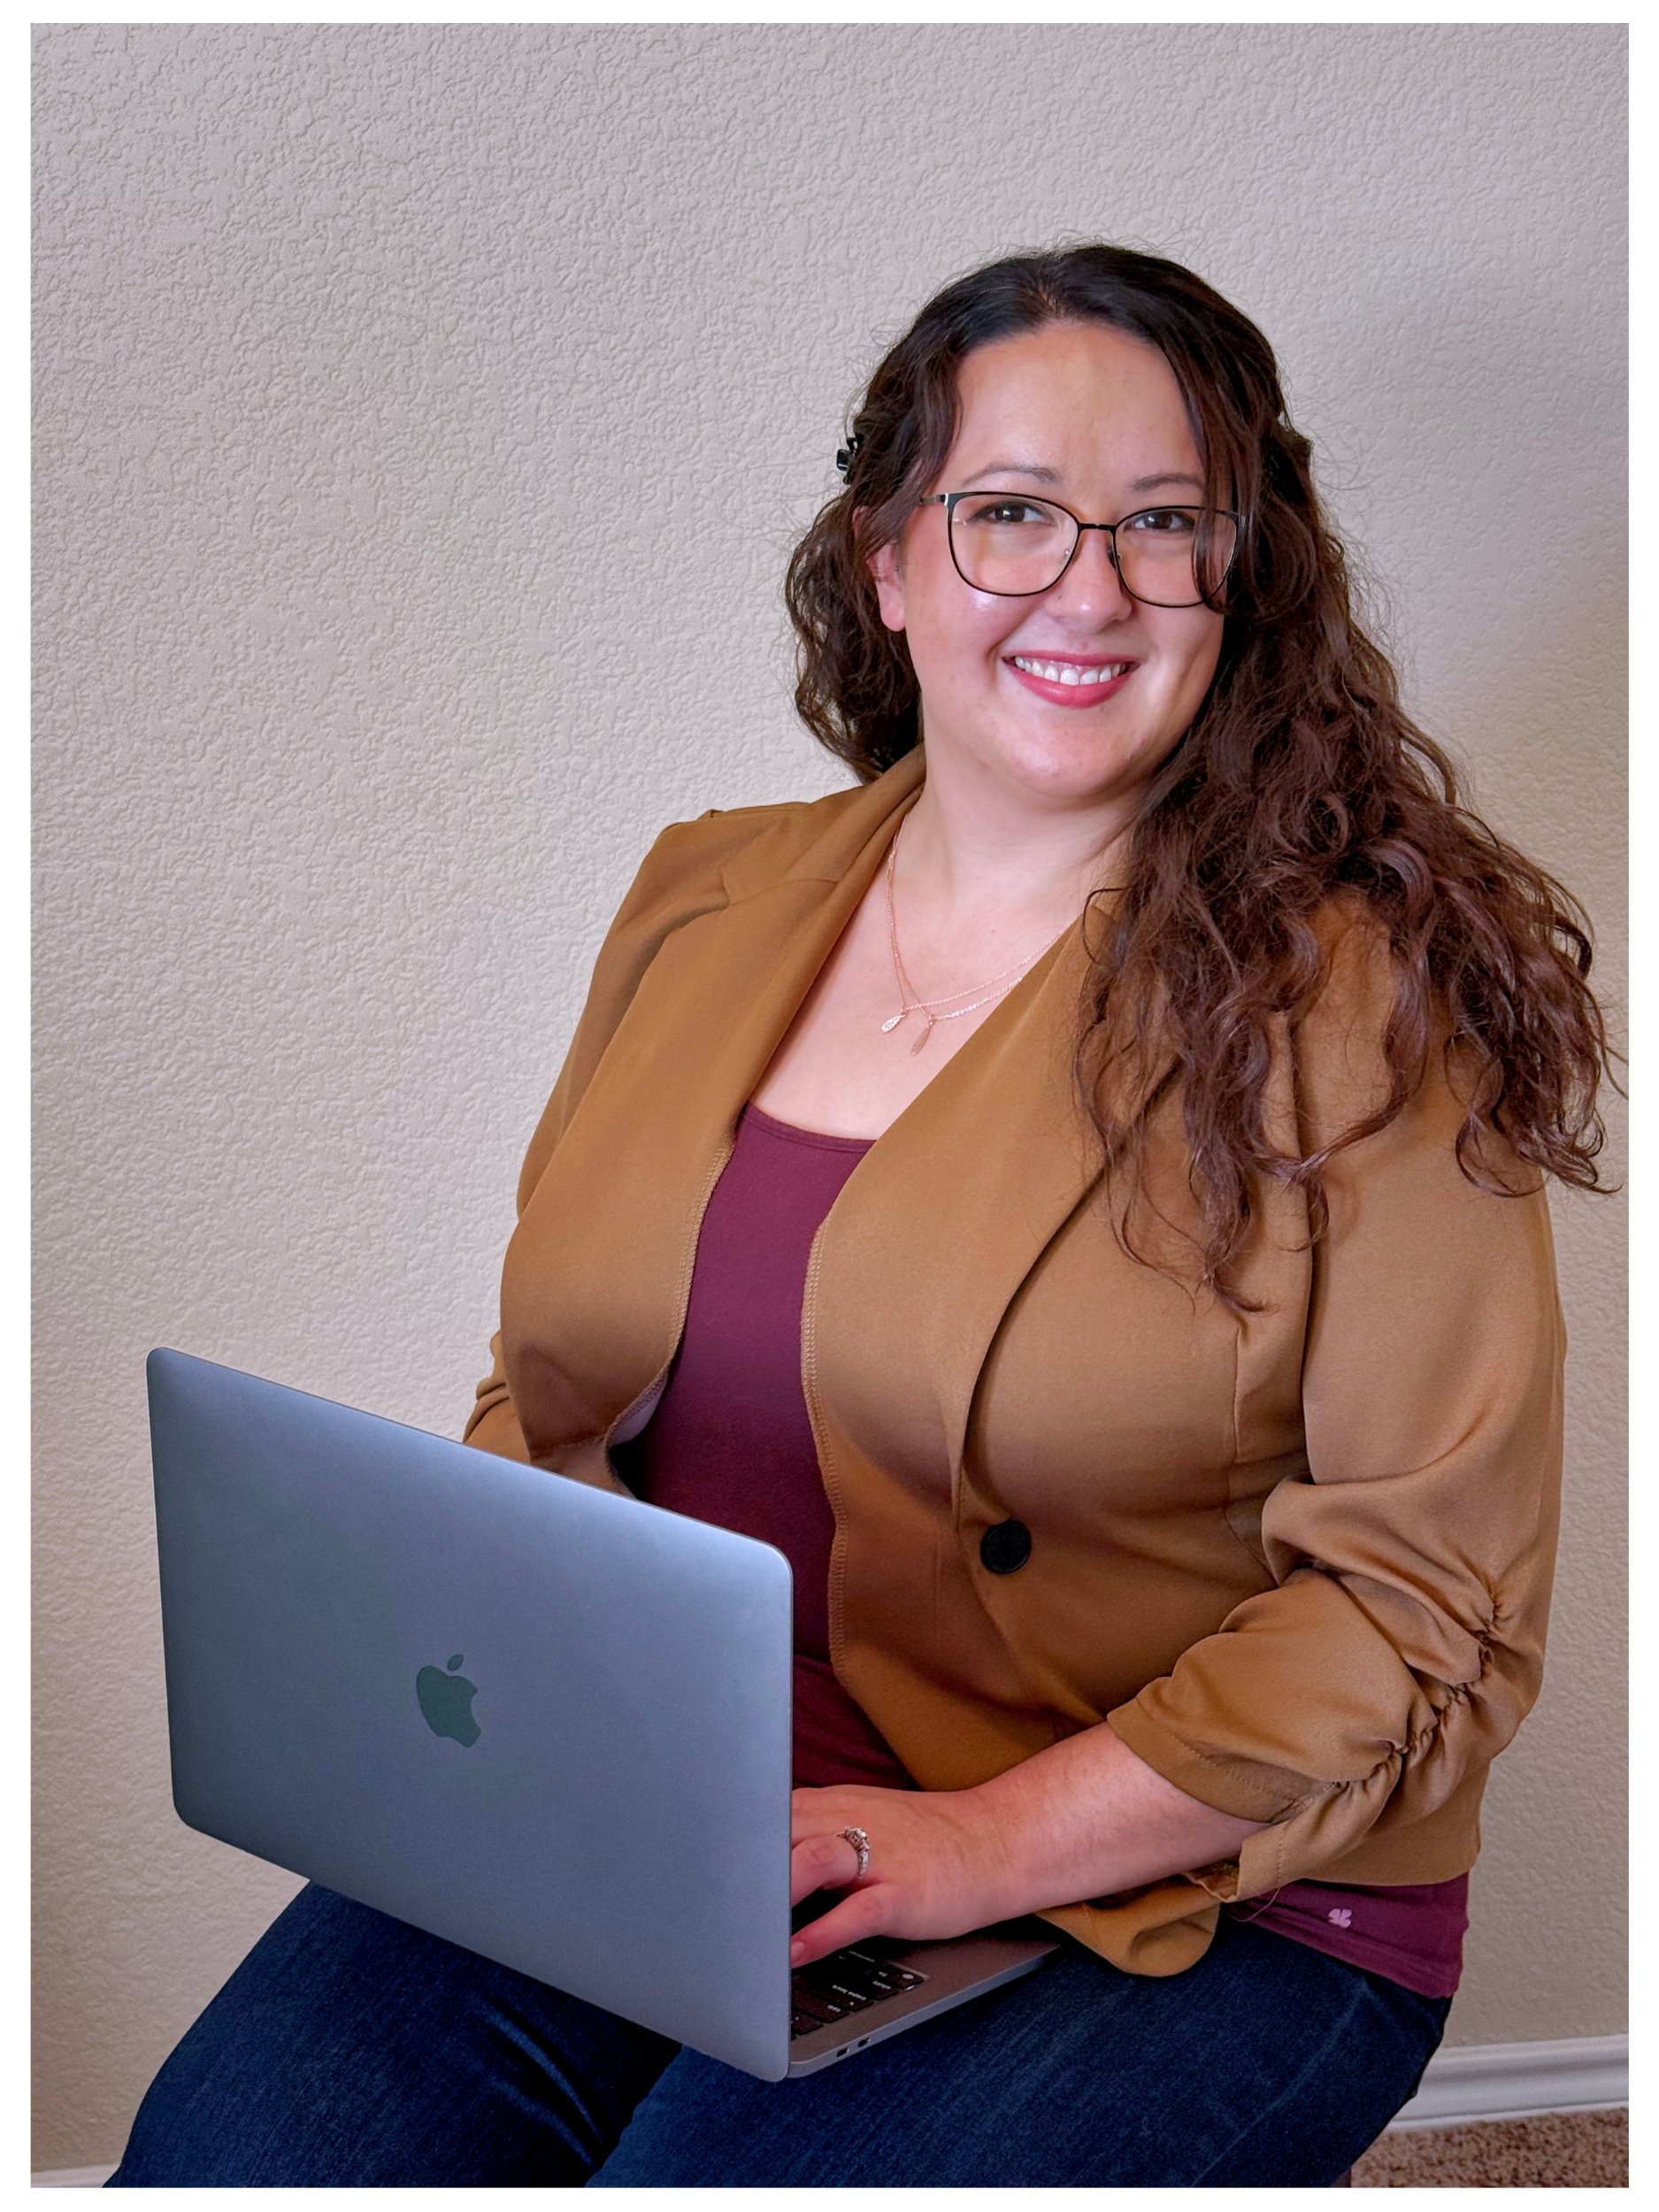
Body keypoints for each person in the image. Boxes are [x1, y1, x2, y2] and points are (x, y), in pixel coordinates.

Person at [109, 243, 1610, 2187]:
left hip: (1194, 1878)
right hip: (690, 1806)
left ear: (1242, 581)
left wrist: (978, 1841)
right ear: (887, 559)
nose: (1090, 584)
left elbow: (1425, 1611)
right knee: (229, 2159)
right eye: (1009, 514)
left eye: (1165, 524)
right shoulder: (701, 894)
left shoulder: (1368, 999)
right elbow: (556, 1394)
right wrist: (504, 1739)